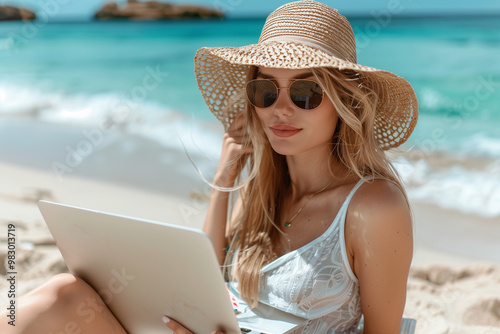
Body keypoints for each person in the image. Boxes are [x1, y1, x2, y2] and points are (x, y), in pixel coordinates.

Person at [1, 1, 417, 333]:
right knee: (66, 294)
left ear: (344, 104)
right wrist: (224, 178)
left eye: (306, 91)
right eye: (265, 90)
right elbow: (203, 279)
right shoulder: (265, 193)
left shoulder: (374, 207)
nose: (281, 108)